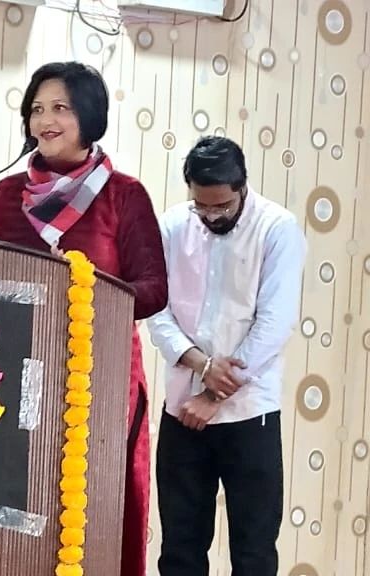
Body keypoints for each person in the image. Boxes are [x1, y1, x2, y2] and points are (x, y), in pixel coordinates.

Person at [0, 61, 167, 576]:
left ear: (89, 116)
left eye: (60, 108)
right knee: (15, 513)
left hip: (97, 383)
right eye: (37, 109)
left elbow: (153, 289)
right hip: (13, 381)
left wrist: (83, 290)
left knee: (94, 511)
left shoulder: (124, 195)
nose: (45, 121)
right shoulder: (5, 196)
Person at [147, 136, 306, 576]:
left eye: (222, 206)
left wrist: (213, 396)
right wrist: (200, 365)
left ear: (242, 186)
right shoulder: (172, 226)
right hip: (182, 412)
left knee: (254, 555)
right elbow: (156, 309)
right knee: (179, 552)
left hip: (250, 415)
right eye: (202, 206)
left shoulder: (277, 228)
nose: (211, 216)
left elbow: (274, 324)